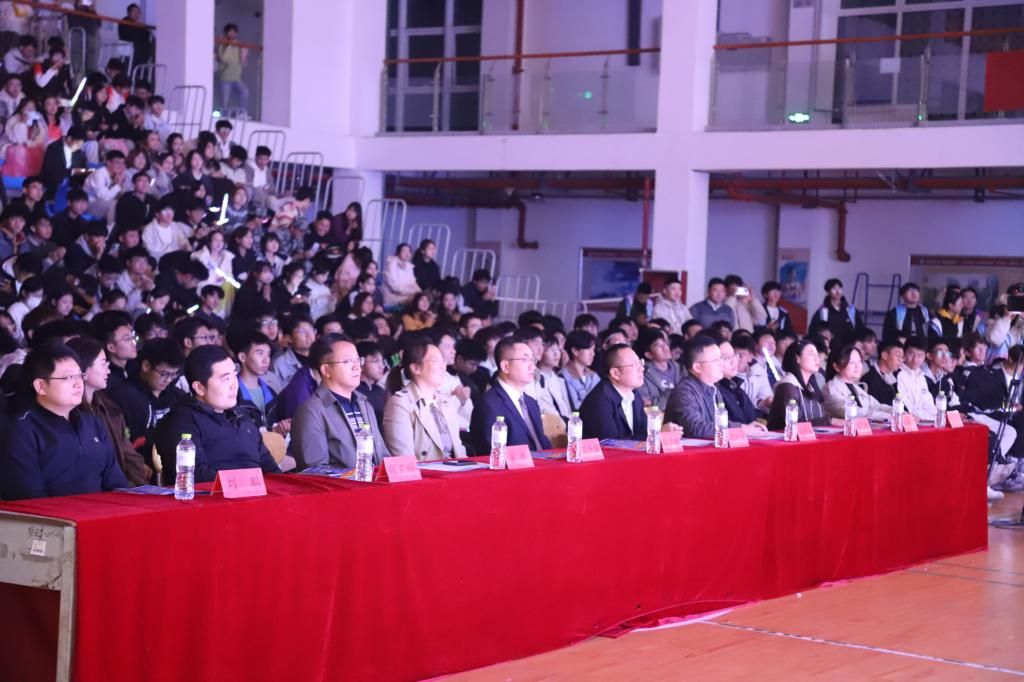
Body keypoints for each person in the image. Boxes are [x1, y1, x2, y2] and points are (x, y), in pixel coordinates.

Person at [0, 343, 129, 500]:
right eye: (68, 377)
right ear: (41, 386)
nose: (78, 383)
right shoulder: (21, 430)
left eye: (80, 375)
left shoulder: (92, 423)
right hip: (51, 515)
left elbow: (116, 483)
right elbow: (28, 497)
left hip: (103, 512)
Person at [156, 345, 280, 484]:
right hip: (212, 496)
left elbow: (270, 468)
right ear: (200, 388)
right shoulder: (181, 421)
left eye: (234, 375)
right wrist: (247, 483)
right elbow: (195, 476)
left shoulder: (242, 416)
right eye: (225, 379)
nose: (234, 385)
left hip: (256, 493)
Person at [291, 334, 390, 469]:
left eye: (357, 360)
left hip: (374, 481)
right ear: (326, 370)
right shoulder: (311, 411)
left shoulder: (365, 405)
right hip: (345, 483)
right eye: (347, 361)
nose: (357, 367)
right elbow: (314, 470)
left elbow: (382, 456)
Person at [67, 335, 152, 486]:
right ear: (82, 368)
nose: (108, 370)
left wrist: (143, 488)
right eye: (102, 364)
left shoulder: (110, 410)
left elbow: (130, 457)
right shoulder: (67, 415)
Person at [666, 335, 766, 438]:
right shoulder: (684, 391)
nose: (721, 364)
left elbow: (719, 424)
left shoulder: (714, 389)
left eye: (721, 359)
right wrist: (742, 429)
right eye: (715, 361)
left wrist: (745, 428)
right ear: (697, 367)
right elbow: (695, 428)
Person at [382, 341, 466, 461]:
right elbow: (404, 459)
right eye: (436, 361)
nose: (443, 366)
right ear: (416, 368)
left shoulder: (445, 401)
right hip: (424, 472)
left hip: (454, 469)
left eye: (443, 360)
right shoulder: (399, 404)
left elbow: (459, 450)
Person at [469, 336, 551, 454]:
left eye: (533, 360)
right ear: (506, 366)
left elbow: (542, 444)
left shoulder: (531, 402)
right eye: (524, 360)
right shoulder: (489, 404)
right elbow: (492, 453)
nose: (532, 366)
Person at [580, 344, 658, 440]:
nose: (641, 369)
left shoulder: (634, 394)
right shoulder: (599, 401)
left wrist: (656, 434)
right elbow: (609, 443)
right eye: (634, 365)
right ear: (615, 373)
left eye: (640, 362)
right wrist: (655, 435)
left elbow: (644, 432)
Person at [766, 339, 835, 430]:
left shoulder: (811, 387)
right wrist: (830, 421)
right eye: (811, 354)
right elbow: (795, 424)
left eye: (817, 355)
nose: (817, 358)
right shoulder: (787, 386)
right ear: (797, 358)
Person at [821, 345, 891, 422]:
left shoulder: (856, 388)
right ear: (836, 366)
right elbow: (854, 412)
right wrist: (887, 416)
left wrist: (896, 410)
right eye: (852, 362)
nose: (857, 366)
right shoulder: (830, 389)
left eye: (859, 361)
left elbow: (877, 406)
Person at [232, 330, 280, 430]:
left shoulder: (272, 393)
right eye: (260, 353)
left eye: (268, 354)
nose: (266, 360)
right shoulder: (232, 394)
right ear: (242, 357)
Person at [265, 313, 315, 392]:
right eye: (302, 331)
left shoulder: (322, 357)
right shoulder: (280, 364)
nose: (309, 335)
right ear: (289, 338)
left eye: (311, 330)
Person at [716, 339, 761, 426]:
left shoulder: (737, 388)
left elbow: (752, 421)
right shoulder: (713, 392)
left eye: (734, 355)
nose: (734, 361)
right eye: (726, 358)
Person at [635, 328, 682, 411]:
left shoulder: (680, 369)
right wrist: (675, 396)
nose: (665, 348)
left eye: (665, 343)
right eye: (658, 346)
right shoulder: (643, 374)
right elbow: (646, 405)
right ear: (648, 354)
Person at [809, 278, 861, 347]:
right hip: (829, 349)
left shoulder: (851, 310)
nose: (837, 291)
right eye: (834, 288)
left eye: (839, 288)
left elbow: (860, 329)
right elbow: (813, 331)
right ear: (828, 292)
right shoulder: (822, 311)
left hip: (848, 349)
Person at [896, 336, 937, 424]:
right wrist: (927, 416)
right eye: (911, 354)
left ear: (925, 357)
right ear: (904, 353)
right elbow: (906, 406)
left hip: (923, 421)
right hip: (907, 422)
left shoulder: (921, 375)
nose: (915, 359)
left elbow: (928, 403)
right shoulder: (898, 374)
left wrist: (933, 416)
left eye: (920, 355)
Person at [560, 329, 599, 411]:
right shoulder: (563, 377)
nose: (593, 354)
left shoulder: (593, 375)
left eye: (593, 350)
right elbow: (573, 406)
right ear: (575, 351)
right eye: (589, 349)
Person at [41, 126, 86, 197]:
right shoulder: (53, 148)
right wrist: (72, 171)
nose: (79, 147)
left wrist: (84, 171)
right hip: (53, 187)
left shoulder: (78, 151)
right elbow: (50, 170)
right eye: (77, 144)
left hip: (71, 188)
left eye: (81, 145)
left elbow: (82, 166)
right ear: (69, 139)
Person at [216, 23, 250, 113]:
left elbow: (243, 61)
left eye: (234, 32)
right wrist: (229, 45)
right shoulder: (222, 44)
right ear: (226, 33)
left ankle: (241, 113)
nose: (232, 34)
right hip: (226, 77)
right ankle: (223, 116)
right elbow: (223, 58)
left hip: (236, 77)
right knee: (225, 100)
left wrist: (244, 52)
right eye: (230, 32)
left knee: (245, 92)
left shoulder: (238, 44)